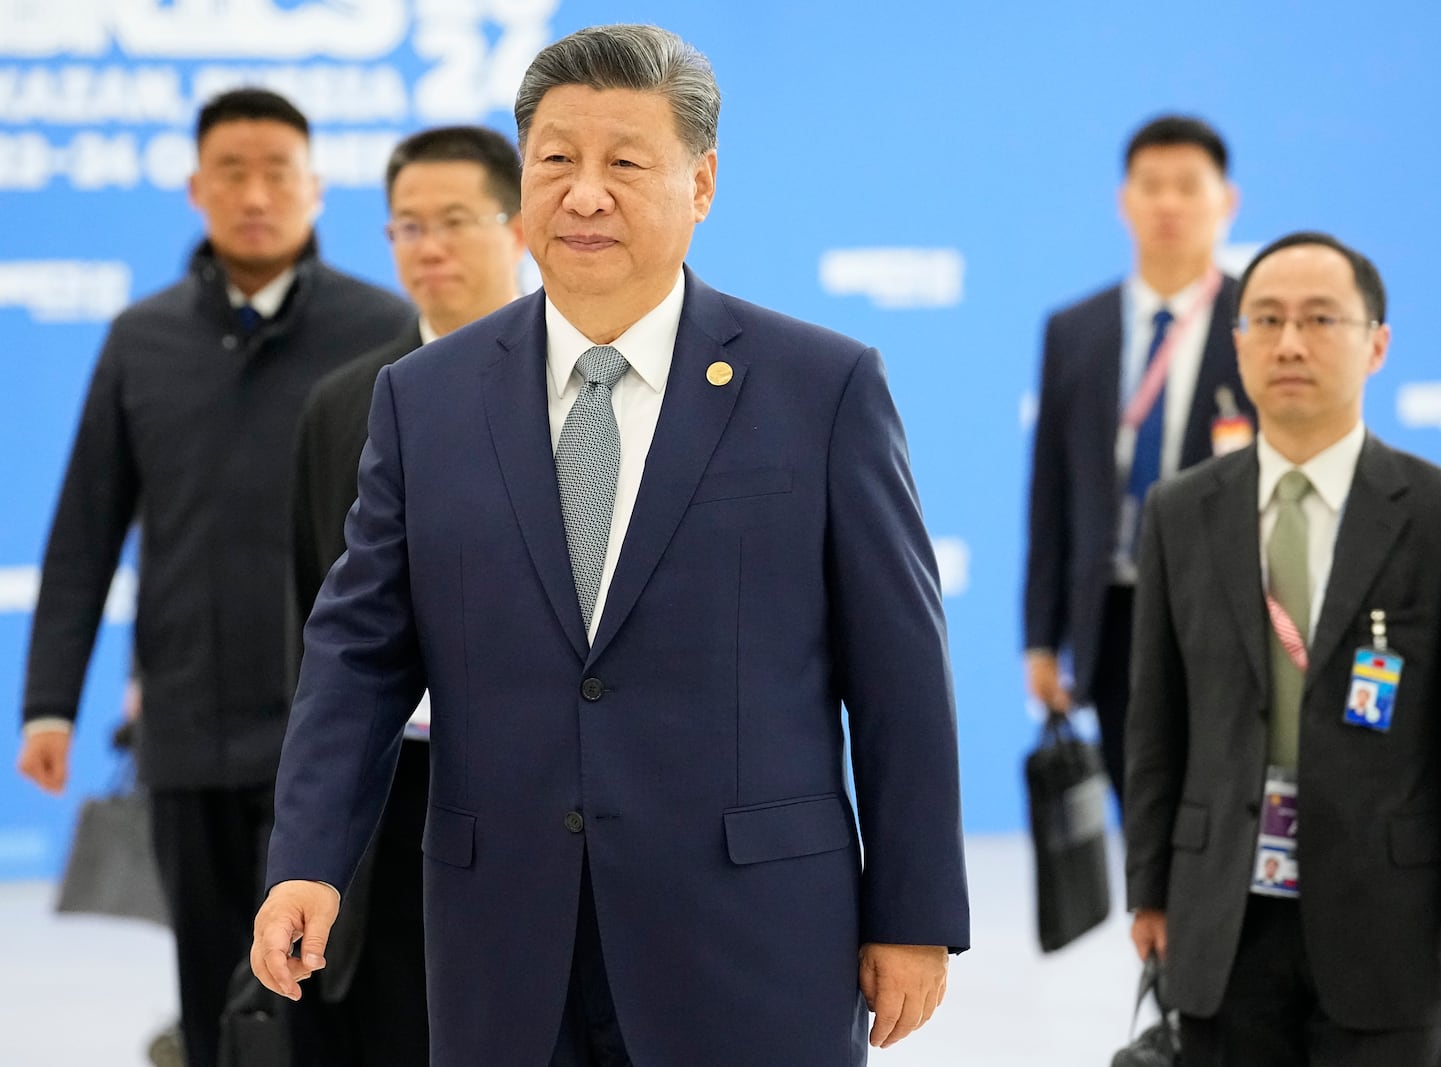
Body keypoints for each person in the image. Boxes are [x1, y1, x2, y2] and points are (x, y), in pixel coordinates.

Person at [251, 24, 968, 1067]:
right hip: (505, 934)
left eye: (625, 163)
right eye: (556, 161)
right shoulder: (423, 398)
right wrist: (307, 857)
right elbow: (358, 650)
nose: (585, 194)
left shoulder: (820, 387)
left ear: (702, 183)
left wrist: (912, 909)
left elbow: (898, 670)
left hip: (751, 934)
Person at [16, 88, 413, 1067]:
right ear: (195, 189)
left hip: (335, 732)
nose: (255, 193)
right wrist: (47, 704)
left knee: (346, 987)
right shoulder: (139, 339)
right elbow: (82, 528)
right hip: (188, 725)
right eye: (231, 172)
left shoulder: (383, 330)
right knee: (209, 990)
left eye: (278, 170)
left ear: (316, 188)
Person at [1123, 231, 1441, 1066]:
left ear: (1376, 343)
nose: (1290, 343)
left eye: (1321, 319)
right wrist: (1152, 887)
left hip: (1390, 921)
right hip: (1222, 918)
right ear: (1236, 342)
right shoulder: (1180, 511)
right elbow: (1156, 724)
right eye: (1266, 320)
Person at [287, 124, 527, 1066]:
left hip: (536, 784)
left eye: (455, 221)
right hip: (393, 792)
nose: (429, 246)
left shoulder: (584, 387)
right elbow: (318, 620)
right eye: (406, 226)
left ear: (517, 227)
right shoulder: (346, 402)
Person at [1024, 115, 1252, 807]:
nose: (1169, 203)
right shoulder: (1075, 329)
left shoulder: (1263, 322)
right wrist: (1041, 638)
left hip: (1227, 609)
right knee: (1142, 808)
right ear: (1124, 200)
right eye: (1151, 186)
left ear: (1226, 201)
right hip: (1116, 611)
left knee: (1224, 805)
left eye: (1189, 185)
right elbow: (1052, 493)